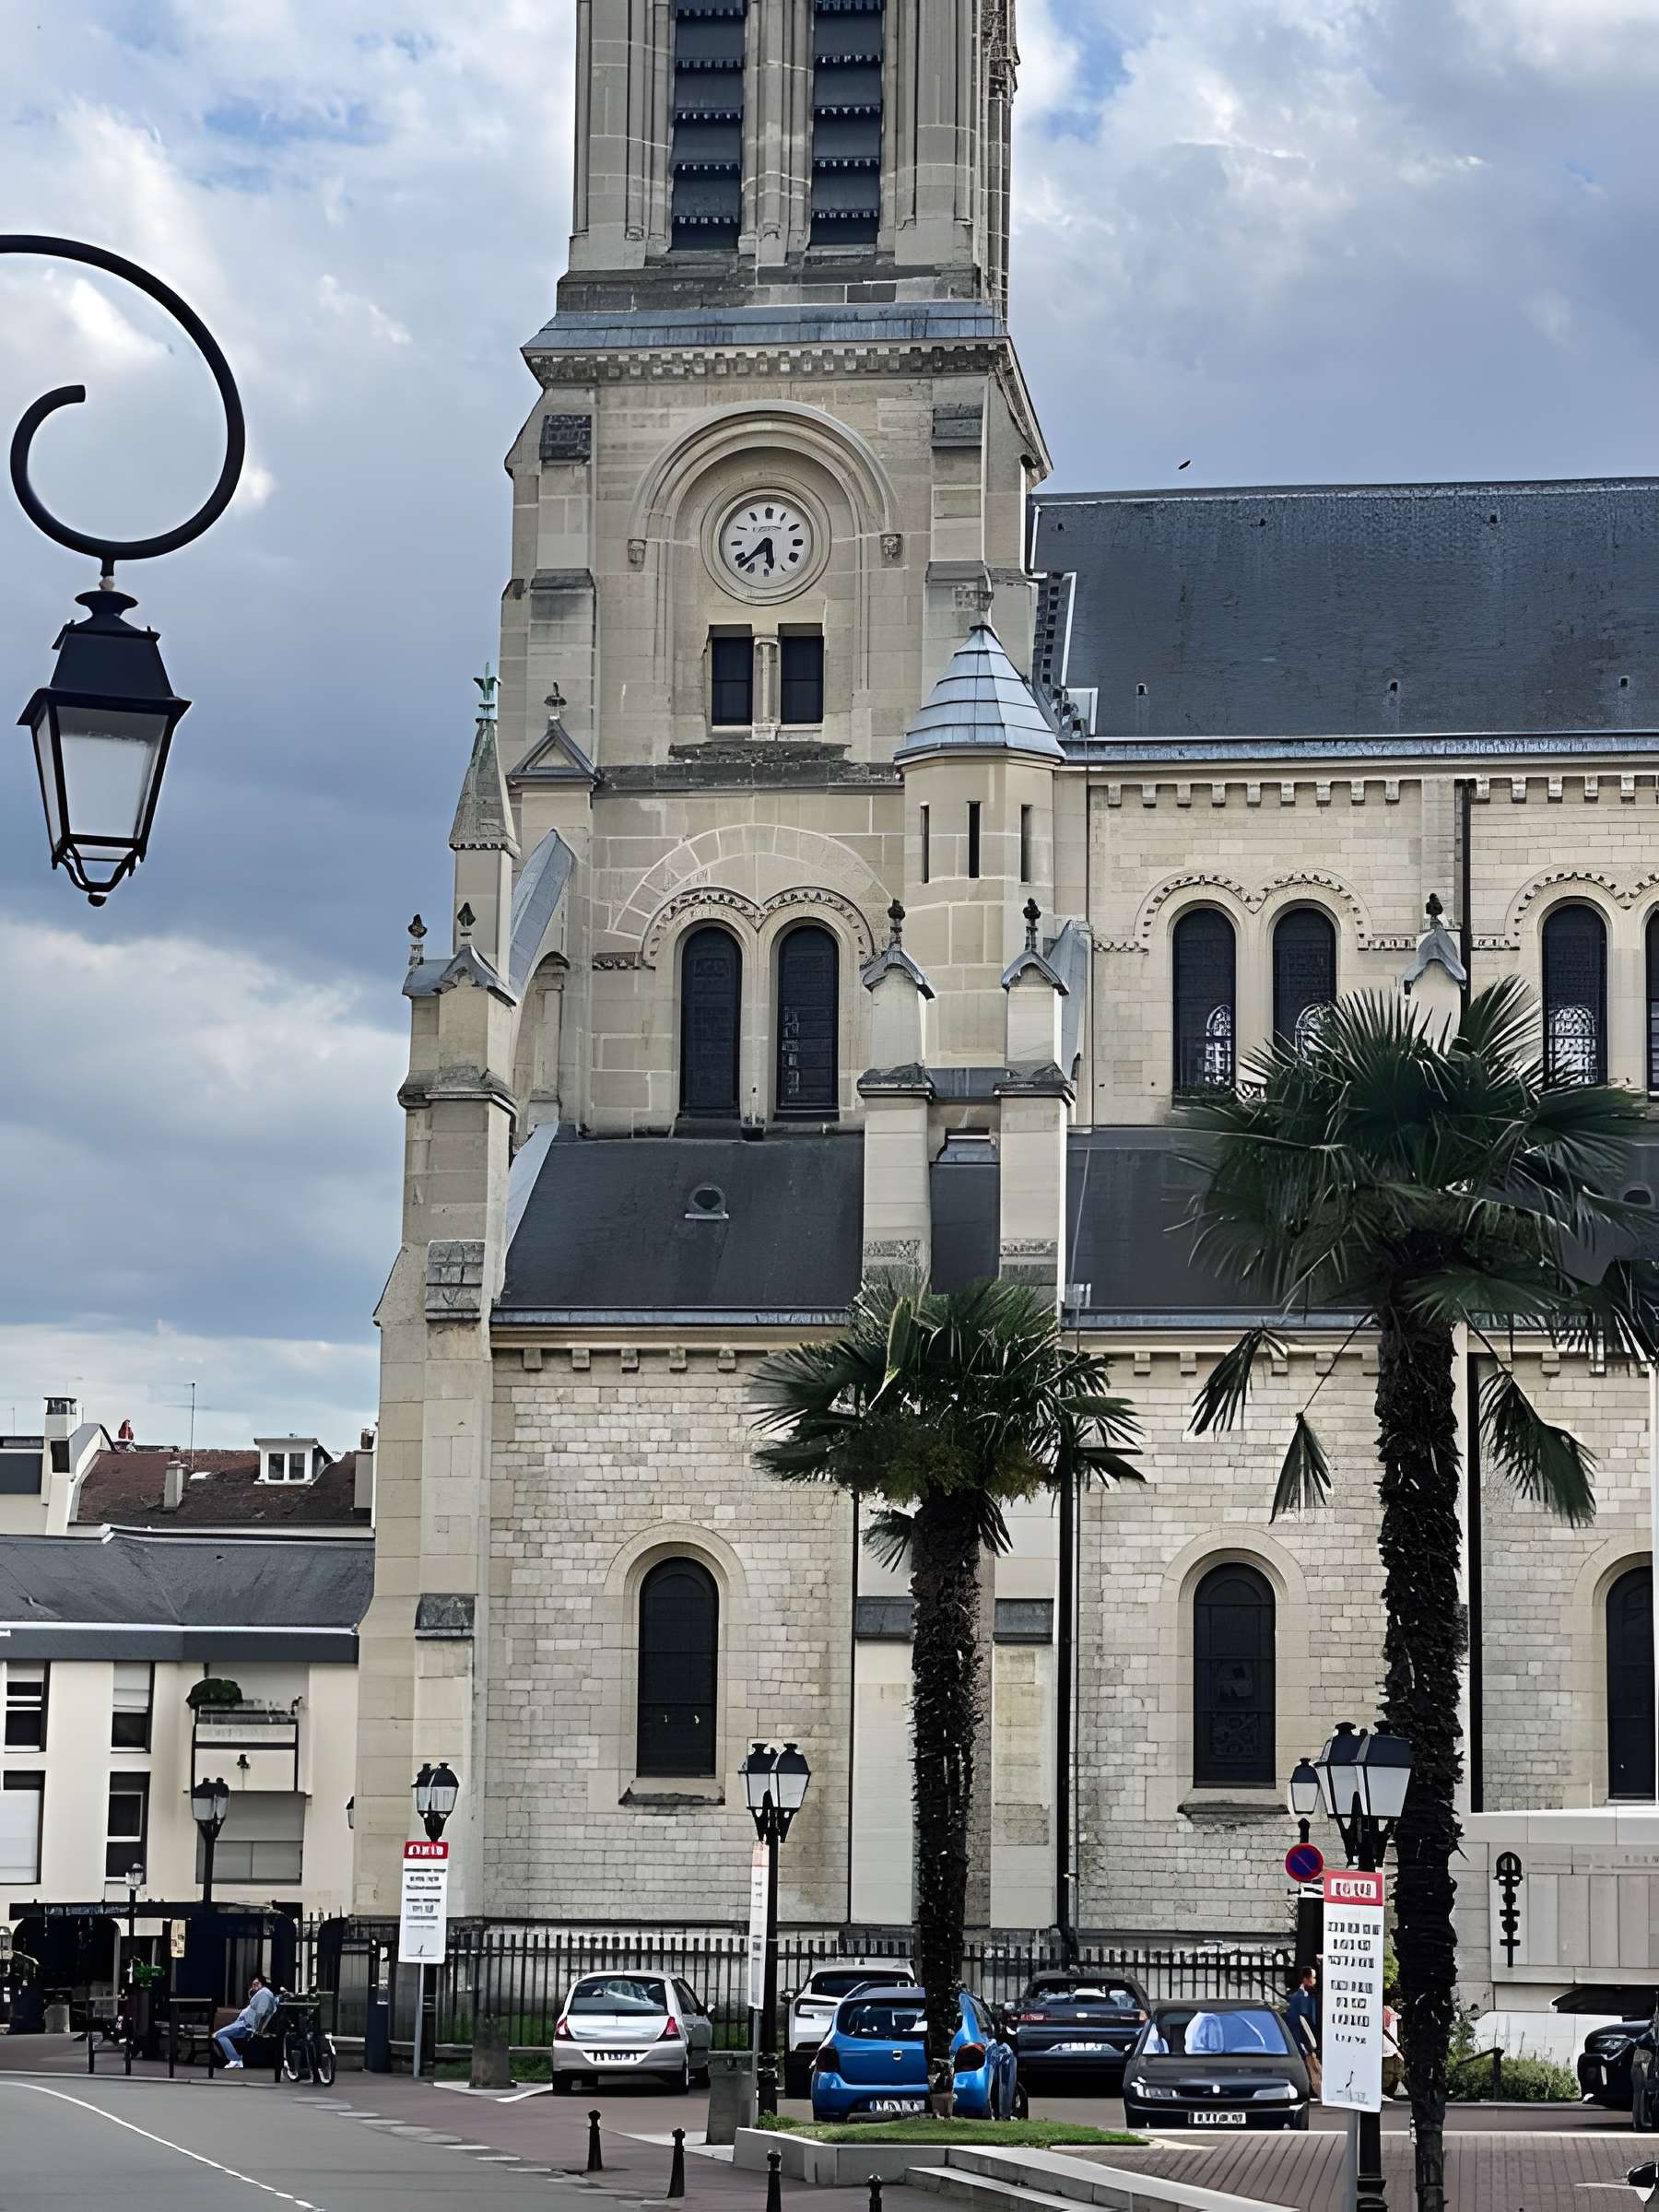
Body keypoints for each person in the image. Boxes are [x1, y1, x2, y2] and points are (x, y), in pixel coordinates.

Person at [214, 1975, 278, 2070]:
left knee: (218, 2035)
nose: (254, 1986)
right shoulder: (261, 1994)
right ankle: (234, 2059)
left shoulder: (265, 1993)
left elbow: (260, 2013)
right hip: (243, 2023)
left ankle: (235, 2059)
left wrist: (257, 2030)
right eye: (253, 1984)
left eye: (257, 1983)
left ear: (263, 1984)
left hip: (245, 2025)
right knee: (220, 2036)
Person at [1288, 1968, 1322, 2092]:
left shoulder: (1313, 1996)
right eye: (1313, 1978)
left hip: (1313, 2039)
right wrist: (1306, 2045)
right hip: (1305, 2041)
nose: (1315, 1981)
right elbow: (1298, 2022)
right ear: (1306, 1979)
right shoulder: (1297, 1998)